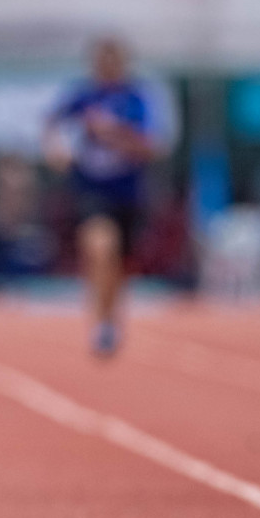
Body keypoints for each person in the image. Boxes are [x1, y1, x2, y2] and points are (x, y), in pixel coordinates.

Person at [43, 38, 159, 357]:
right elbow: (52, 124)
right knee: (98, 247)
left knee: (118, 264)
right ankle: (101, 323)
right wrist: (56, 149)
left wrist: (113, 133)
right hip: (90, 189)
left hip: (126, 191)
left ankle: (110, 318)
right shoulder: (82, 96)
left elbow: (151, 148)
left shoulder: (136, 99)